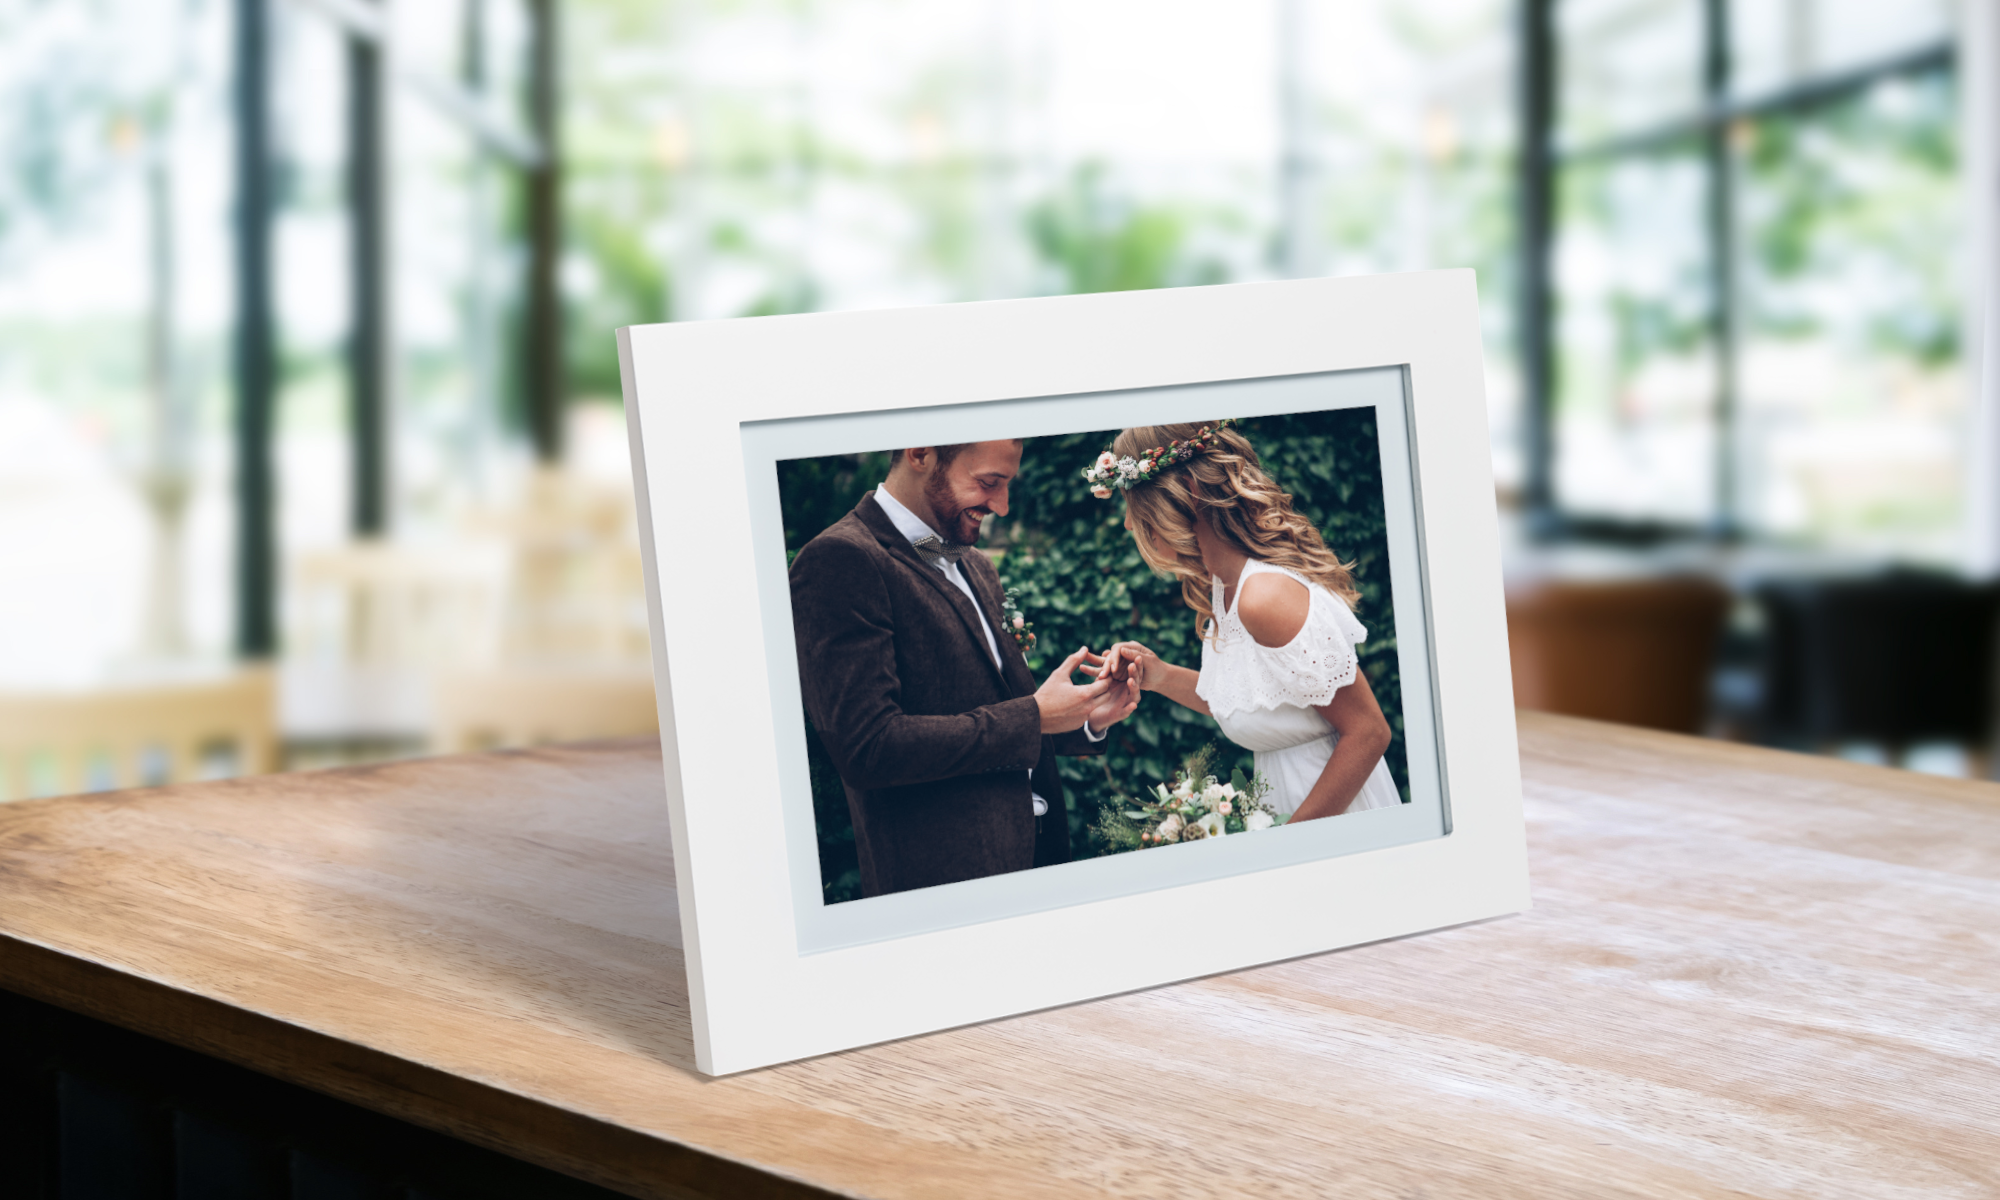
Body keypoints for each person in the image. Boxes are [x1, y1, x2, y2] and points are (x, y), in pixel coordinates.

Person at [790, 439, 1141, 898]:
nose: (1003, 505)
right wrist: (1034, 717)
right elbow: (868, 747)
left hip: (1038, 862)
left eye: (1006, 485)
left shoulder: (975, 564)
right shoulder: (840, 560)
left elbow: (992, 710)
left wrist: (1084, 717)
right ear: (920, 453)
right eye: (988, 483)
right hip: (943, 883)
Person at [1088, 421, 1399, 821]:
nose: (1130, 523)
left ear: (1188, 490)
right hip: (1288, 804)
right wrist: (1158, 675)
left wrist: (1290, 845)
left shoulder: (1263, 597)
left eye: (1137, 504)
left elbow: (1369, 732)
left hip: (1335, 814)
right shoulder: (1225, 586)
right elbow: (1254, 700)